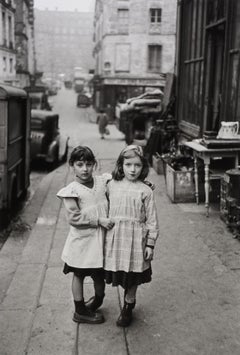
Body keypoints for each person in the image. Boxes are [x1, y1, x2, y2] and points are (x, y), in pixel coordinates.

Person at [56, 146, 114, 324]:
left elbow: (120, 179)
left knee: (99, 273)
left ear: (94, 165)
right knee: (79, 274)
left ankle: (97, 300)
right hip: (82, 242)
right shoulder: (71, 191)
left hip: (101, 241)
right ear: (72, 165)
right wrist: (98, 221)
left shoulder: (102, 182)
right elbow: (74, 217)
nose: (85, 169)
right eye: (79, 164)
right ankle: (80, 310)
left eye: (89, 164)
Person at [104, 145, 159, 327]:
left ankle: (128, 304)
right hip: (116, 239)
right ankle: (124, 297)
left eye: (137, 165)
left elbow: (152, 220)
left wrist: (150, 245)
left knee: (133, 275)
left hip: (136, 241)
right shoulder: (110, 185)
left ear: (143, 167)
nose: (133, 169)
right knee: (120, 274)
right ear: (121, 165)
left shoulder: (146, 191)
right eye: (128, 164)